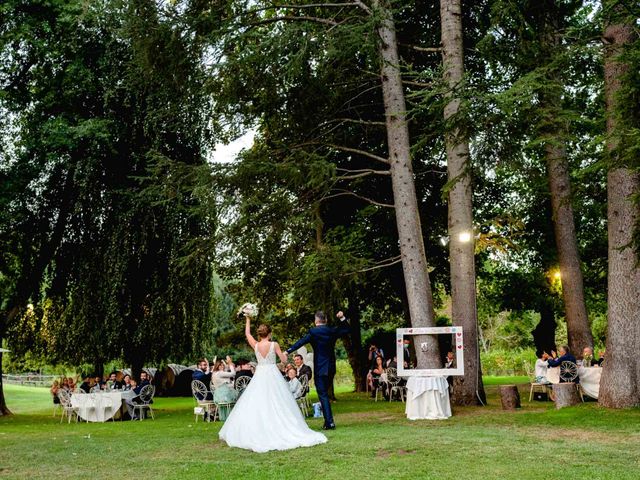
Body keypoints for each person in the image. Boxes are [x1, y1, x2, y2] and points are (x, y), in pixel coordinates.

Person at [219, 304, 327, 452]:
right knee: (278, 400)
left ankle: (259, 429)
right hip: (272, 374)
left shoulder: (256, 345)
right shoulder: (274, 344)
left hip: (260, 374)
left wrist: (248, 319)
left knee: (259, 401)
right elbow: (283, 360)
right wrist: (284, 356)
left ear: (260, 334)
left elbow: (247, 335)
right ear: (269, 334)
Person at [286, 310, 351, 430]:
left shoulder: (313, 332)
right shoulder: (331, 330)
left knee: (322, 394)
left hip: (320, 368)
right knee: (324, 394)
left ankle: (330, 422)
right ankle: (328, 421)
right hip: (331, 367)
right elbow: (347, 329)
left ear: (316, 320)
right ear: (325, 320)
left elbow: (301, 342)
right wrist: (342, 318)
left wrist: (288, 351)